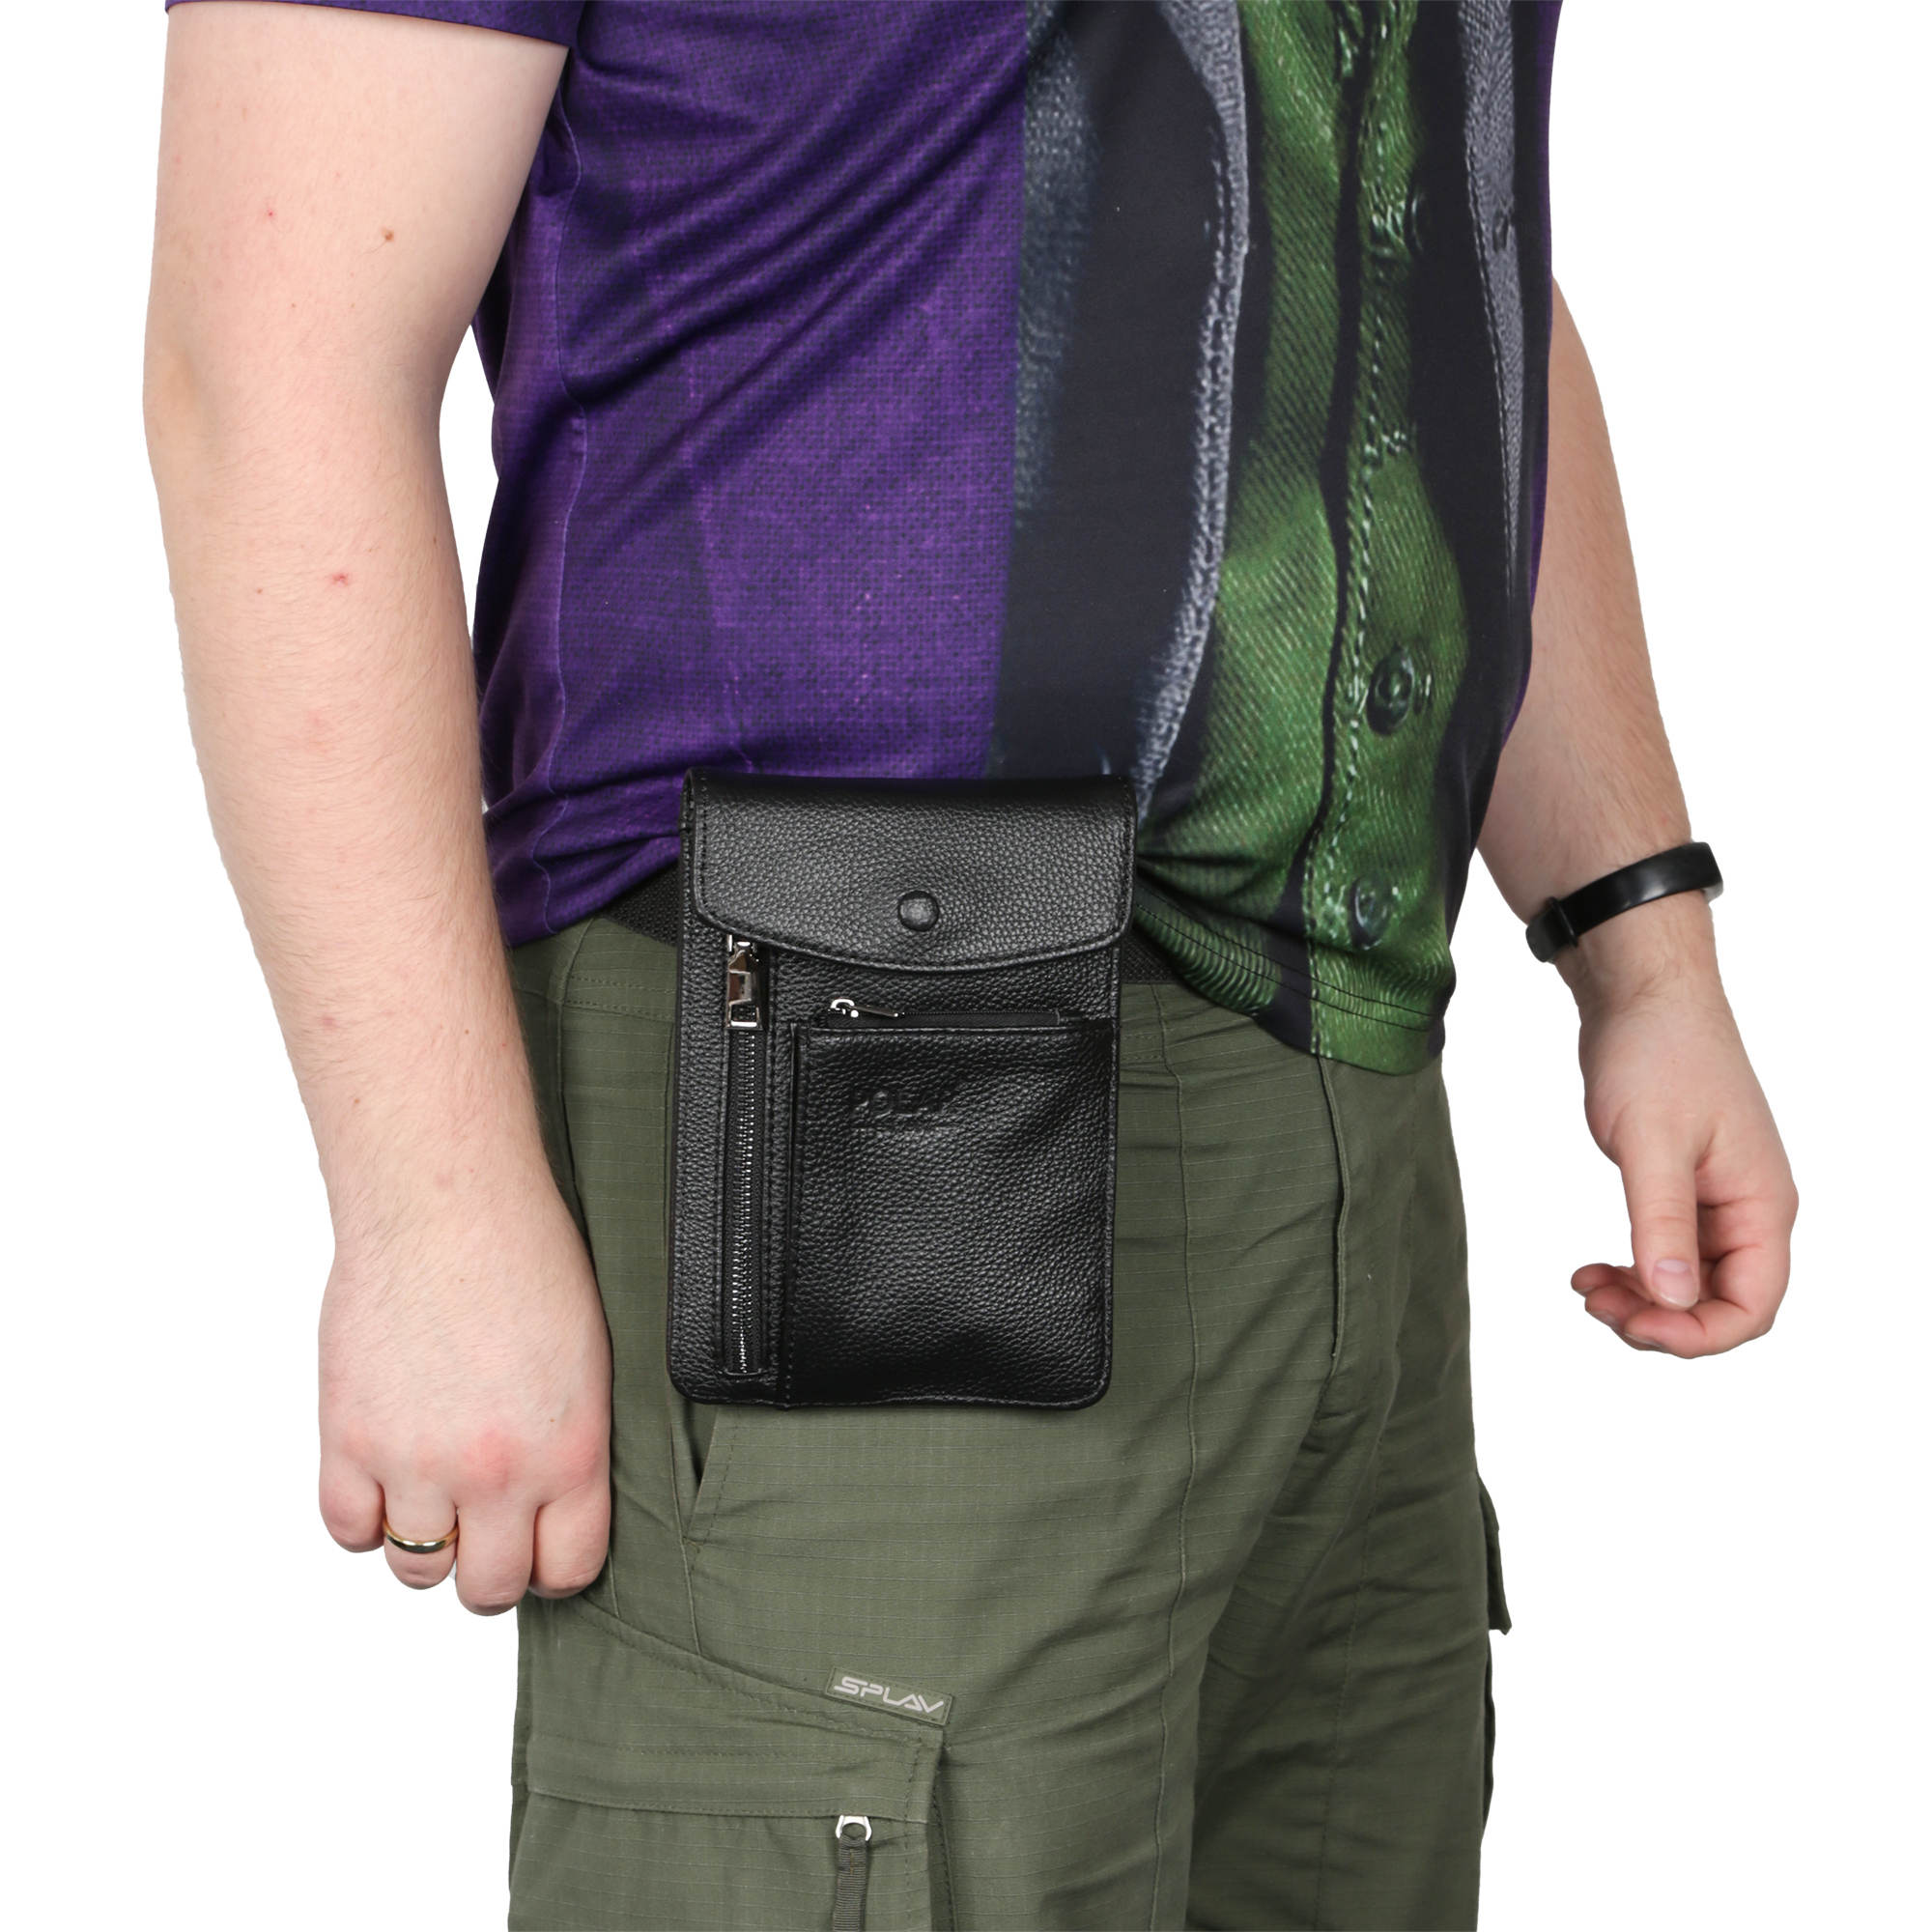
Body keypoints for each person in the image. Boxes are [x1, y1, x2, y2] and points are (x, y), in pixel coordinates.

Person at [144, 2, 1796, 1925]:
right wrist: (429, 1207)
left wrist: (1636, 931)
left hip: (1344, 1102)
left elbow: (1419, 232)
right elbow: (270, 367)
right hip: (838, 1087)